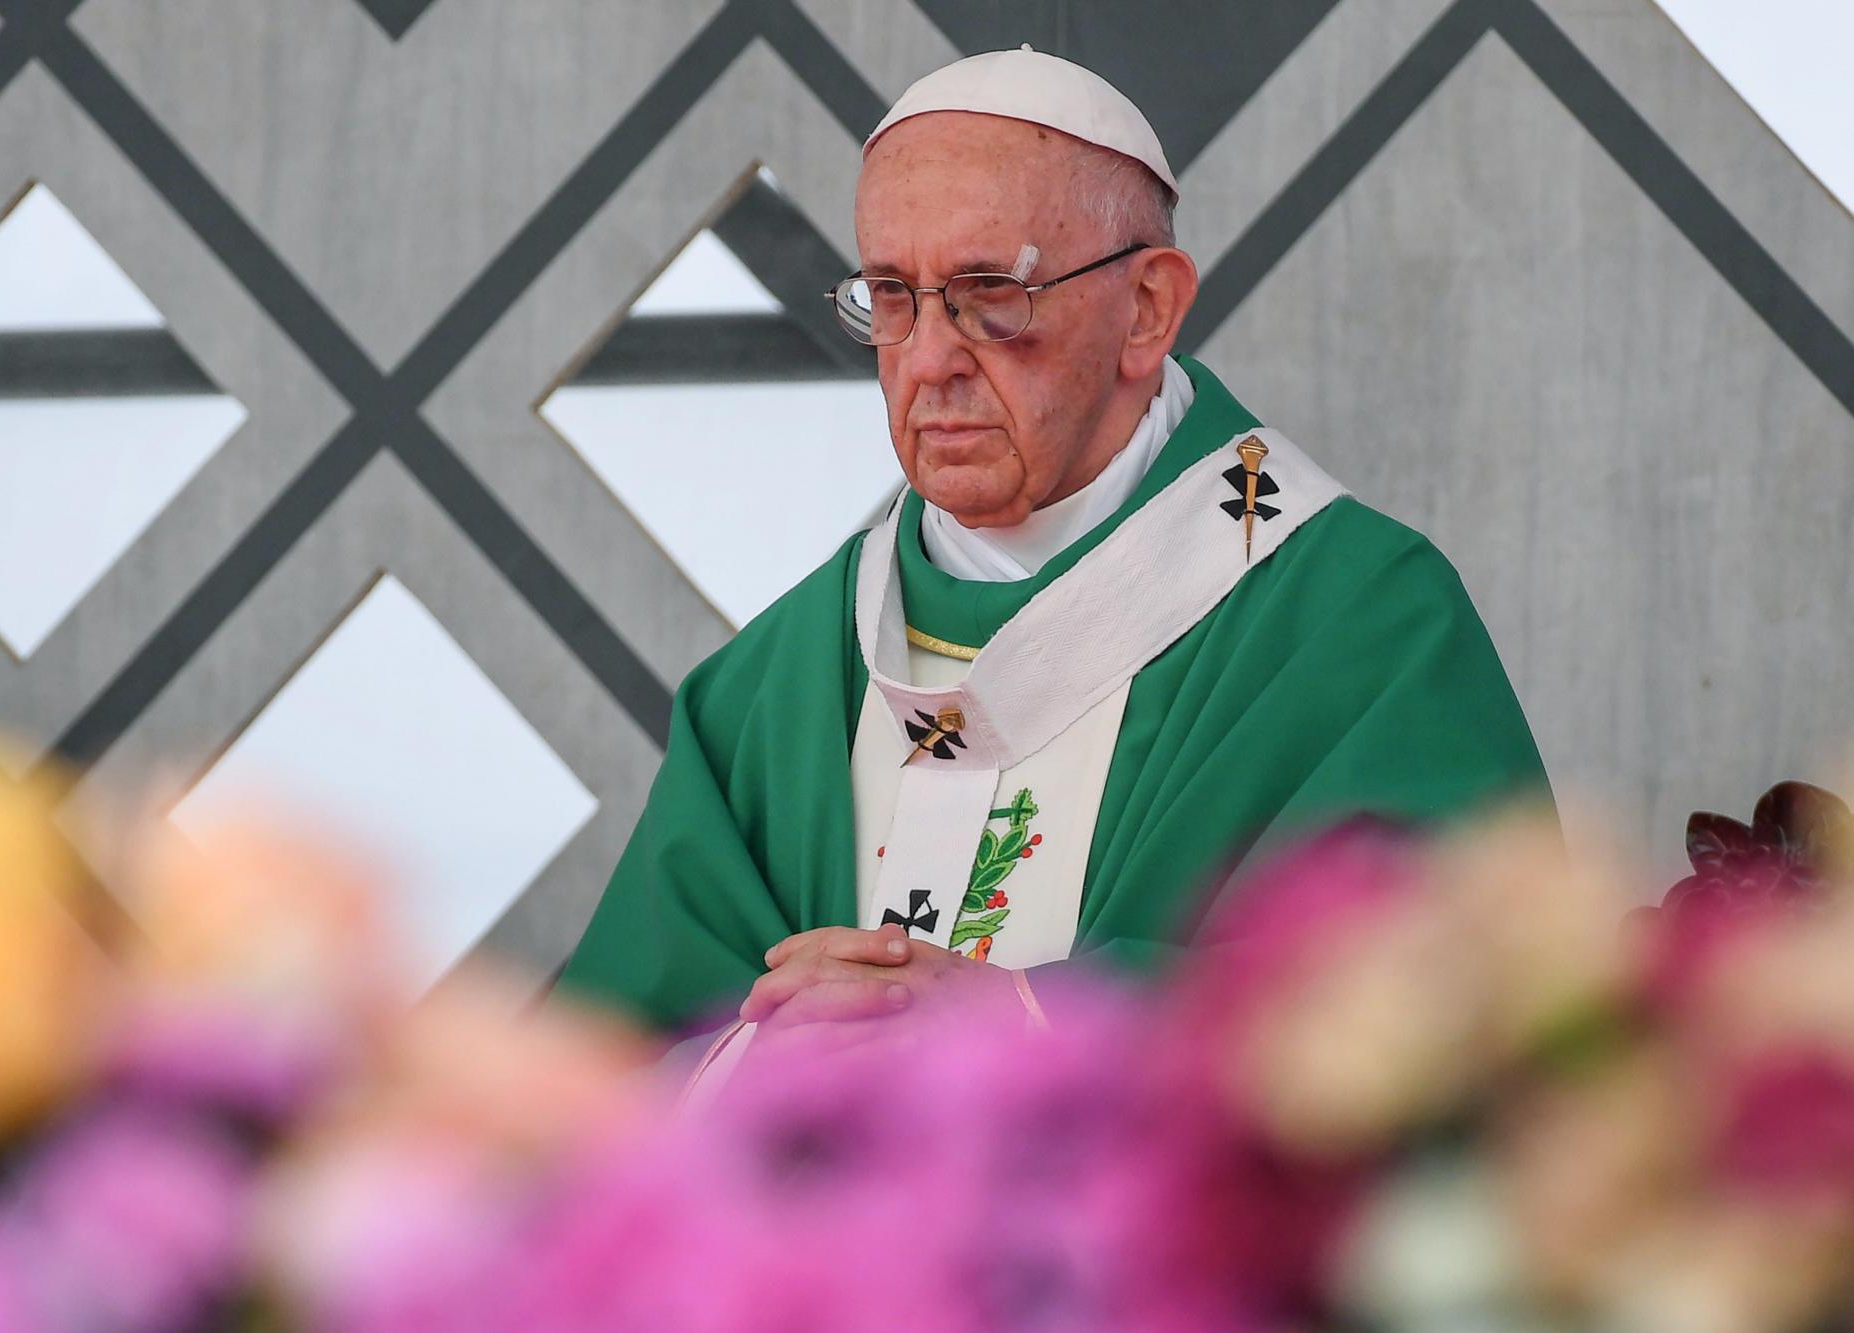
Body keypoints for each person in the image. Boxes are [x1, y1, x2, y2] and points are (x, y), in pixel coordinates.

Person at [558, 47, 1550, 1070]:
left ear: (1146, 310)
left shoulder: (1356, 624)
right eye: (890, 296)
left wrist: (1028, 1023)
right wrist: (761, 1068)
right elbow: (582, 1092)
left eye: (988, 292)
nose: (928, 359)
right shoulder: (768, 692)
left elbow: (1453, 1011)